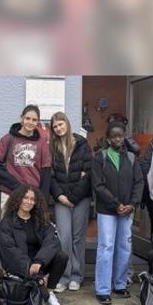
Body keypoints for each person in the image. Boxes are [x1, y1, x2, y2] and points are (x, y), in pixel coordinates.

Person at [92, 121, 144, 305]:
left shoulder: (131, 157)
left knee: (124, 247)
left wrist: (132, 204)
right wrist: (115, 204)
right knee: (106, 247)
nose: (117, 139)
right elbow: (98, 185)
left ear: (124, 137)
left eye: (120, 136)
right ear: (108, 139)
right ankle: (103, 289)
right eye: (113, 136)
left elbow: (139, 182)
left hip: (127, 210)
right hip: (107, 210)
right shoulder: (100, 157)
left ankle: (120, 284)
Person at [0, 185, 67, 305]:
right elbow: (9, 250)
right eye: (25, 198)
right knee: (33, 273)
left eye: (32, 199)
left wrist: (39, 261)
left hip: (39, 262)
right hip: (19, 264)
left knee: (61, 256)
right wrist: (29, 266)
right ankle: (44, 295)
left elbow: (52, 241)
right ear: (18, 199)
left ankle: (49, 291)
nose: (28, 202)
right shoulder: (7, 223)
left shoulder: (40, 220)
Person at [48, 111, 92, 293]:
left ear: (66, 123)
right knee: (64, 238)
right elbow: (51, 176)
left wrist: (73, 198)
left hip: (80, 199)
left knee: (77, 238)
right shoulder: (52, 147)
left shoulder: (81, 143)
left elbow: (87, 173)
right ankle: (63, 277)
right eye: (55, 126)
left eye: (61, 124)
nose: (59, 128)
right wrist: (60, 196)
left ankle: (76, 276)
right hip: (61, 200)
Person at [0, 105, 52, 212]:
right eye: (27, 118)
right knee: (8, 223)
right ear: (21, 118)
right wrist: (16, 185)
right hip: (10, 193)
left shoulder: (42, 144)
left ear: (37, 122)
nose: (30, 122)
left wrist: (42, 201)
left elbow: (46, 173)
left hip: (32, 197)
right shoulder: (8, 139)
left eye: (34, 120)